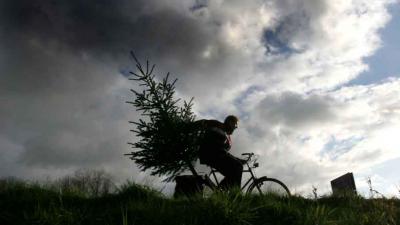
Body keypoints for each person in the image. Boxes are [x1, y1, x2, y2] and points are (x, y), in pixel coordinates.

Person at [196, 115, 244, 189]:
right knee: (238, 166)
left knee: (233, 173)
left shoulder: (227, 137)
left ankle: (220, 193)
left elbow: (224, 152)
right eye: (235, 125)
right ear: (230, 122)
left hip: (216, 155)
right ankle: (236, 193)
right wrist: (185, 127)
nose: (235, 127)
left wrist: (237, 159)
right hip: (210, 154)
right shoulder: (217, 125)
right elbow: (202, 122)